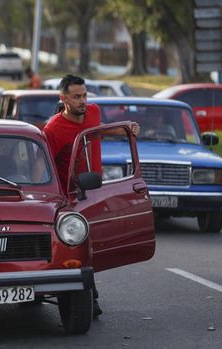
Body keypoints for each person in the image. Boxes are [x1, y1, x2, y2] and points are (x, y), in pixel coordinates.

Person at [42, 74, 139, 319]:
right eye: (76, 97)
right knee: (78, 247)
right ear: (63, 99)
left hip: (94, 191)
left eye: (84, 95)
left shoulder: (94, 112)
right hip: (69, 197)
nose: (83, 101)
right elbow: (44, 166)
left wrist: (126, 129)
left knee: (94, 246)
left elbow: (100, 132)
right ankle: (89, 297)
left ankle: (89, 295)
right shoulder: (53, 129)